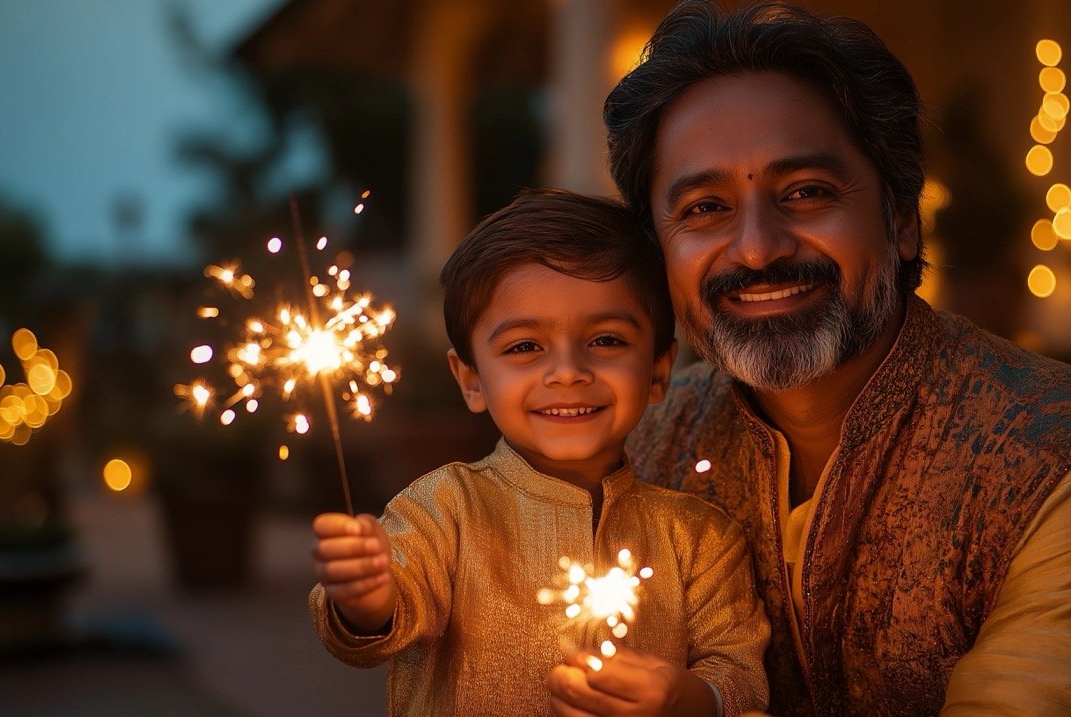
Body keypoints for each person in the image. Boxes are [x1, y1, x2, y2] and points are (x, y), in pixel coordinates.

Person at [548, 1, 1071, 715]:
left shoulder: (1066, 459)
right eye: (704, 207)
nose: (758, 248)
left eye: (807, 193)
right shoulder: (640, 446)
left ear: (902, 220)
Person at [308, 189, 769, 716]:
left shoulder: (701, 539)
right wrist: (366, 601)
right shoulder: (442, 509)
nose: (568, 371)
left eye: (607, 340)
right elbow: (385, 622)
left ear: (659, 371)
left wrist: (689, 700)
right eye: (524, 347)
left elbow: (740, 676)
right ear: (473, 380)